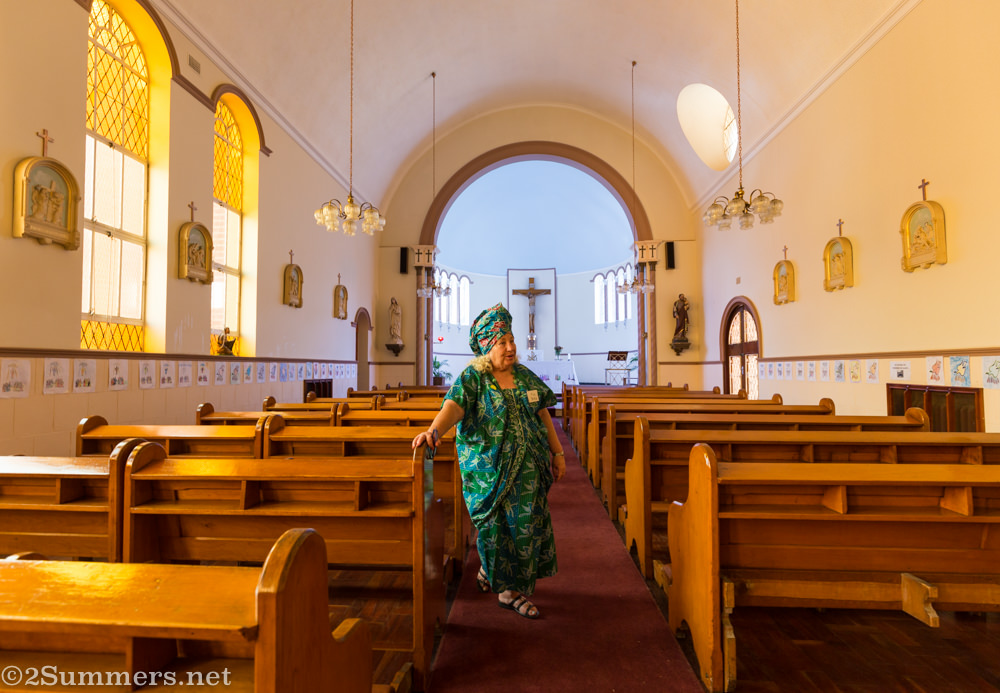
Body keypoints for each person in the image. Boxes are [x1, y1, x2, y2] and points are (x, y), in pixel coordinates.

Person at [412, 303, 565, 619]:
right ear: (486, 347)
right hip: (489, 474)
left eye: (511, 340)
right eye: (502, 343)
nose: (510, 348)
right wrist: (433, 431)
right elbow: (453, 407)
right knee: (495, 528)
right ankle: (508, 593)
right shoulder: (473, 378)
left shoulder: (524, 376)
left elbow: (543, 413)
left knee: (524, 528)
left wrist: (558, 452)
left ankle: (497, 576)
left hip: (529, 473)